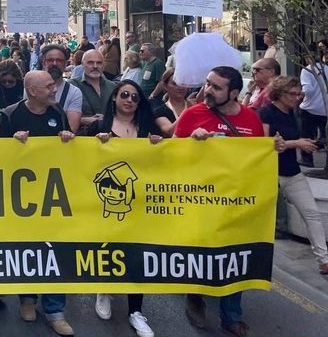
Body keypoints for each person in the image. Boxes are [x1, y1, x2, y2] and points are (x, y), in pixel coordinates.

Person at [174, 66, 279, 337]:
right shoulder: (192, 114)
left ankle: (231, 316)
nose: (208, 90)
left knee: (234, 256)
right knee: (201, 254)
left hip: (235, 203)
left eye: (216, 87)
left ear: (234, 93)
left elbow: (257, 159)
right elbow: (169, 156)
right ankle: (195, 295)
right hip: (198, 202)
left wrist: (274, 148)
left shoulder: (251, 119)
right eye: (208, 83)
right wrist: (190, 143)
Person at [0, 70, 75, 336]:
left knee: (57, 251)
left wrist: (68, 140)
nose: (55, 89)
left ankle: (55, 310)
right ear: (32, 91)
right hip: (22, 199)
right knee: (27, 248)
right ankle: (27, 297)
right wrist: (13, 144)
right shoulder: (9, 115)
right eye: (49, 86)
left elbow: (69, 156)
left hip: (55, 195)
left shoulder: (58, 113)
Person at [89, 80, 162, 337]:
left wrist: (158, 143)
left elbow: (163, 161)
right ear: (114, 98)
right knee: (108, 247)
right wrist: (96, 143)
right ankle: (104, 289)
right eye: (124, 95)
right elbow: (80, 160)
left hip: (139, 203)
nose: (129, 100)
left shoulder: (148, 128)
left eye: (134, 97)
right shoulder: (100, 127)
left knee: (137, 254)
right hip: (105, 203)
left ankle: (136, 311)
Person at [258, 76, 328, 274]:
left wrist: (304, 143)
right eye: (293, 94)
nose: (297, 97)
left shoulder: (293, 112)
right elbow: (264, 144)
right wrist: (296, 144)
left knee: (312, 213)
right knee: (263, 219)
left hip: (292, 171)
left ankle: (323, 260)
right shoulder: (266, 113)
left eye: (300, 94)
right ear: (279, 93)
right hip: (271, 174)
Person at [40, 44, 84, 133]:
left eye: (59, 60)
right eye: (50, 60)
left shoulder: (74, 92)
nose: (54, 63)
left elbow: (72, 129)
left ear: (65, 64)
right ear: (43, 63)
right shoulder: (32, 87)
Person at [71, 49, 117, 132]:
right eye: (90, 62)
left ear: (103, 65)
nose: (95, 66)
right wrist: (83, 120)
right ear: (82, 64)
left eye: (99, 63)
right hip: (83, 139)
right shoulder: (72, 86)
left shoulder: (112, 86)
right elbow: (62, 116)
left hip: (110, 138)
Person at [299, 42, 327, 167]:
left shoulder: (307, 70)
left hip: (310, 108)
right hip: (325, 109)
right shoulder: (326, 69)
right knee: (325, 134)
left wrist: (300, 95)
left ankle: (307, 159)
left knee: (307, 135)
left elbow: (308, 90)